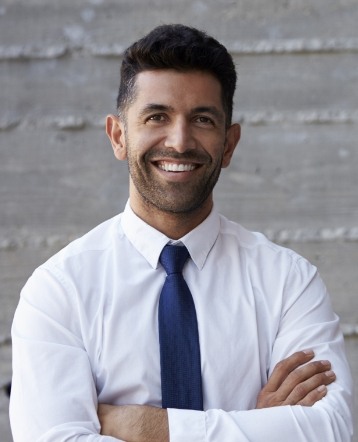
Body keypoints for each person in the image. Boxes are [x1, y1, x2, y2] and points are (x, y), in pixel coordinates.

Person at [10, 24, 353, 441]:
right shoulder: (59, 290)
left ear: (229, 144)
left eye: (203, 120)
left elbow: (331, 430)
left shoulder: (289, 283)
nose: (179, 141)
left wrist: (148, 427)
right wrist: (254, 426)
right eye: (157, 117)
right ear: (119, 136)